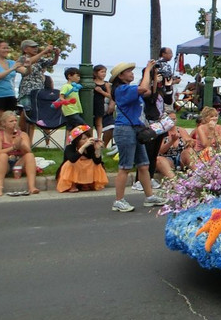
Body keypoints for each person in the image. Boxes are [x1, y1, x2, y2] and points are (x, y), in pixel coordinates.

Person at [109, 60, 163, 212]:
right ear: (121, 76)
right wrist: (147, 71)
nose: (132, 73)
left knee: (144, 165)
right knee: (125, 167)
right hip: (125, 129)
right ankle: (118, 200)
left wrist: (152, 74)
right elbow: (144, 88)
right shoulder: (122, 90)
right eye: (129, 71)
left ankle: (149, 197)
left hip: (136, 129)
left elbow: (147, 91)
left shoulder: (129, 89)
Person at [0, 39, 27, 149]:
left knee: (11, 122)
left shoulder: (11, 62)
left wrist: (29, 65)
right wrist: (11, 69)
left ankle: (9, 146)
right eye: (3, 48)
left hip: (10, 95)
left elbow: (25, 72)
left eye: (7, 47)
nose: (6, 50)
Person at [0, 111, 39, 196]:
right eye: (11, 121)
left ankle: (32, 187)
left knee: (30, 156)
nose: (14, 123)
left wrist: (21, 144)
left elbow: (28, 151)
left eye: (15, 121)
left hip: (18, 162)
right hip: (2, 163)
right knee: (3, 156)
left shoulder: (22, 134)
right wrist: (13, 147)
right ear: (4, 123)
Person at [16, 39, 60, 132]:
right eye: (32, 47)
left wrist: (56, 55)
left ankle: (29, 141)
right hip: (27, 91)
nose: (35, 49)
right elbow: (28, 62)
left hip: (39, 91)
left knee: (34, 117)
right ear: (25, 49)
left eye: (36, 47)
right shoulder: (21, 58)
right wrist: (43, 51)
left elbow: (52, 62)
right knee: (27, 113)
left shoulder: (40, 59)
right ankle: (20, 134)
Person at [55, 124, 109, 192]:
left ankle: (87, 184)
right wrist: (83, 147)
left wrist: (97, 150)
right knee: (69, 164)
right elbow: (73, 159)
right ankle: (72, 185)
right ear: (77, 141)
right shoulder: (70, 148)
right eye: (84, 139)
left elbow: (97, 161)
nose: (87, 140)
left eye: (87, 138)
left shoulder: (90, 147)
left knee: (93, 163)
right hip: (74, 166)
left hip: (85, 168)